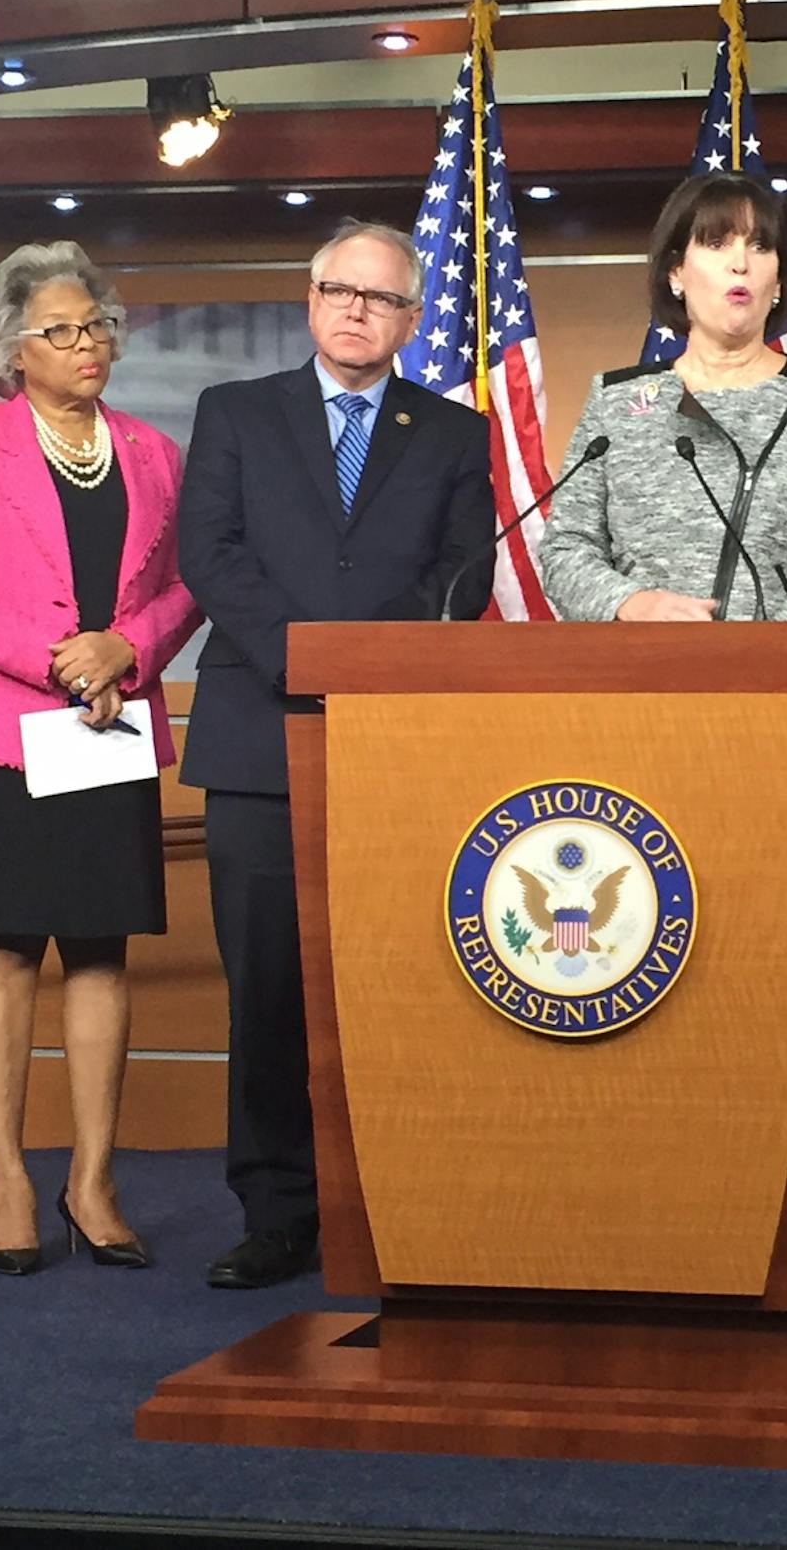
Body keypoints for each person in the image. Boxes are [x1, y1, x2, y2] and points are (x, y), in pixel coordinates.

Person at [177, 221, 493, 1289]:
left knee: (398, 985)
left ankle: (394, 1201)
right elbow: (207, 552)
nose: (356, 310)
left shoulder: (452, 433)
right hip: (259, 737)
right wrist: (307, 659)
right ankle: (276, 1213)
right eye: (338, 291)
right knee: (266, 990)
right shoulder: (236, 414)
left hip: (398, 741)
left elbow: (466, 572)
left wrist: (367, 666)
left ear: (411, 320)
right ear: (310, 301)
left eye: (380, 298)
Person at [0, 242, 202, 1276]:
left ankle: (94, 1180)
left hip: (110, 729)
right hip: (7, 730)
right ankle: (5, 1176)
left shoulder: (155, 452)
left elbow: (185, 585)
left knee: (102, 949)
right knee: (4, 949)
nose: (90, 345)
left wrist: (132, 647)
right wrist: (55, 661)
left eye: (101, 325)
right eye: (64, 330)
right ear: (9, 350)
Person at [538, 172, 787, 623]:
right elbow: (566, 549)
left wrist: (764, 655)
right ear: (676, 273)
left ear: (778, 283)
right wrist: (631, 604)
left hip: (780, 681)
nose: (741, 264)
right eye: (717, 244)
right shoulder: (616, 402)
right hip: (636, 676)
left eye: (760, 247)